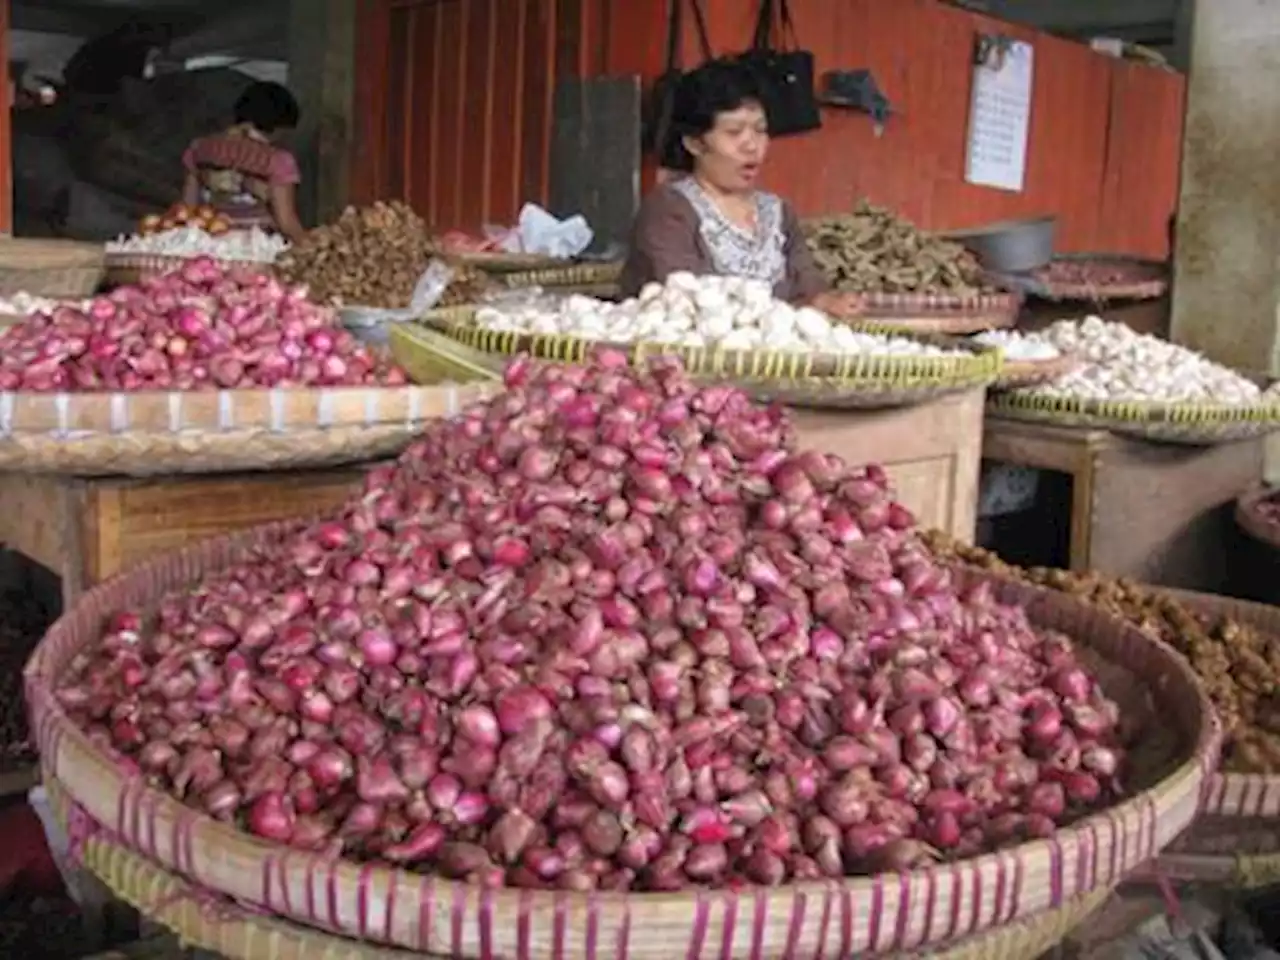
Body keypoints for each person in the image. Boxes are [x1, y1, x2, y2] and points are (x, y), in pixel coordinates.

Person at [620, 58, 861, 317]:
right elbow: (687, 302)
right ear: (694, 143)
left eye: (760, 130)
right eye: (734, 132)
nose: (752, 146)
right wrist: (800, 310)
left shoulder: (778, 213)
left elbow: (809, 285)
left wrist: (829, 301)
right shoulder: (669, 211)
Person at [180, 81, 306, 242]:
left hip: (208, 248)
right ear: (279, 127)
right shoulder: (278, 160)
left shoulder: (199, 148)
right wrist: (310, 247)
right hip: (258, 250)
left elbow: (187, 209)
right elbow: (286, 223)